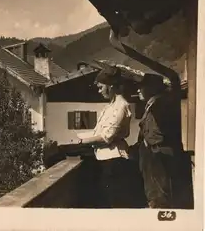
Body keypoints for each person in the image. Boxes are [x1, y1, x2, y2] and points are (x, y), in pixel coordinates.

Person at [76, 66, 145, 208]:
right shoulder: (109, 107)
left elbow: (107, 136)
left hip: (114, 162)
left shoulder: (121, 106)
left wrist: (81, 141)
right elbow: (97, 132)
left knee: (114, 203)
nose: (99, 90)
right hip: (103, 160)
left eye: (101, 87)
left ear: (111, 86)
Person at [134, 73, 193, 209]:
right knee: (154, 190)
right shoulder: (153, 104)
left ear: (152, 88)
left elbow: (163, 131)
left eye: (142, 87)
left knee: (160, 192)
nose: (138, 90)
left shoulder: (162, 103)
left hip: (158, 151)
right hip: (152, 152)